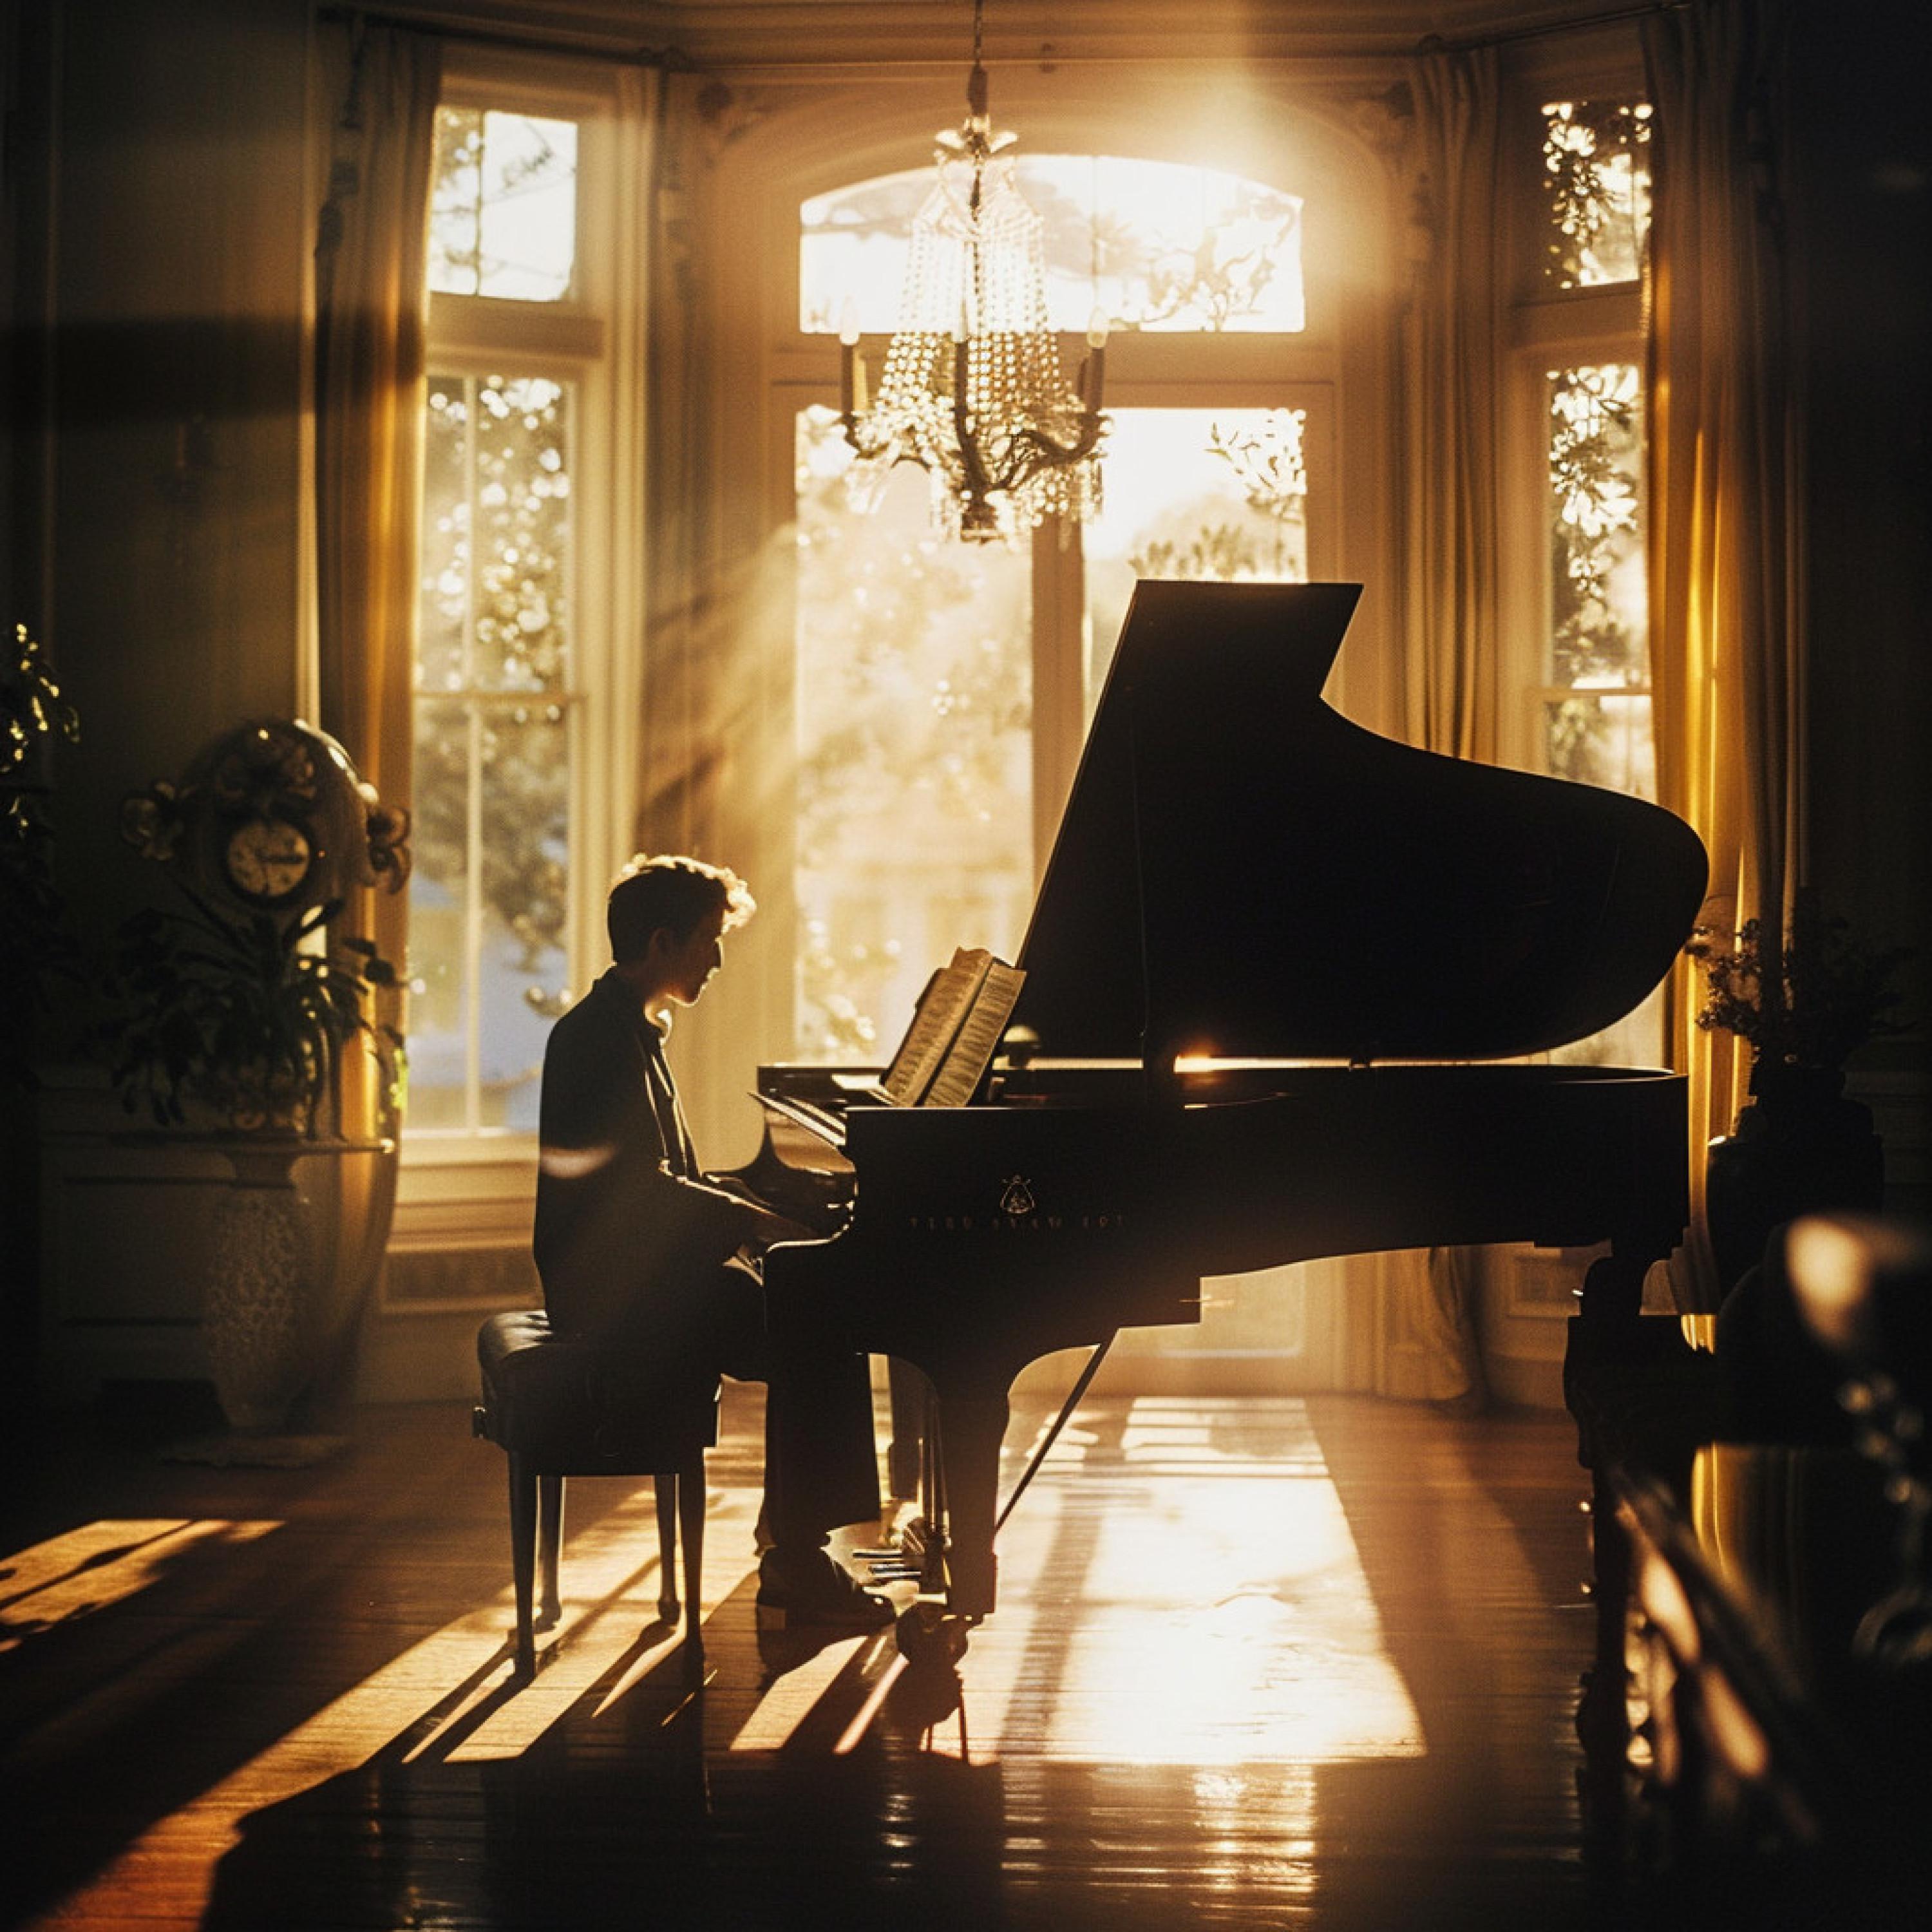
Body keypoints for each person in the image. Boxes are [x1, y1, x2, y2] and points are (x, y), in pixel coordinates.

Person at [533, 854, 888, 1627]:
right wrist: (760, 1219)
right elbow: (640, 1192)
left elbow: (656, 1179)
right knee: (821, 1311)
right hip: (613, 1296)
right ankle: (796, 1556)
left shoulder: (622, 1029)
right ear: (662, 942)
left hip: (628, 1276)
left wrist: (761, 1203)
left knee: (810, 1303)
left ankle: (793, 1539)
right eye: (708, 940)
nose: (719, 958)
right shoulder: (601, 1041)